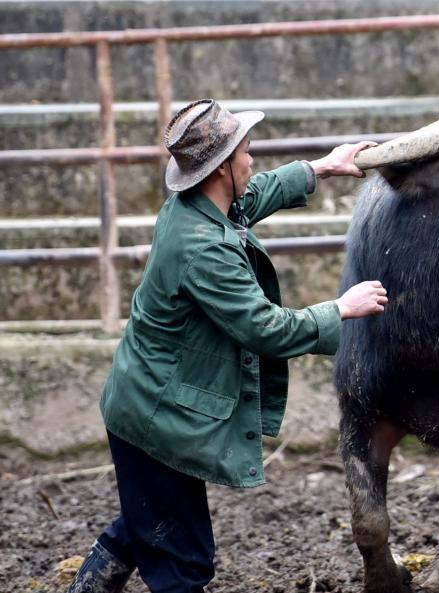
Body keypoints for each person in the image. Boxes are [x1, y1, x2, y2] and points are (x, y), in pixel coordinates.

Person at [67, 99, 387, 593]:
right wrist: (341, 309)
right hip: (157, 416)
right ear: (221, 168)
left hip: (147, 402)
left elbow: (251, 196)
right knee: (183, 563)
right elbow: (266, 329)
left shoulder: (194, 208)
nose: (251, 160)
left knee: (145, 523)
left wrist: (321, 167)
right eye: (246, 151)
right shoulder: (204, 249)